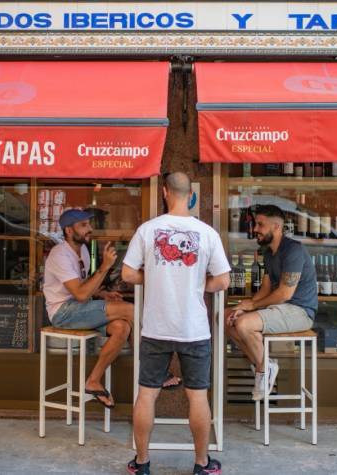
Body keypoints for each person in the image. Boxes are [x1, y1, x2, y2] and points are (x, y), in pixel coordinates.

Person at [122, 172, 230, 475]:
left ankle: (141, 463)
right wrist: (197, 285)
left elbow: (128, 274)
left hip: (156, 328)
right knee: (198, 396)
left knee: (146, 394)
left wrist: (153, 278)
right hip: (194, 329)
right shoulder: (207, 233)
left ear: (166, 192)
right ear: (192, 196)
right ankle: (201, 463)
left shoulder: (148, 230)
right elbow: (222, 280)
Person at [42, 209, 181, 408]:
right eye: (83, 225)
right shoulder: (59, 254)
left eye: (89, 224)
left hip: (80, 307)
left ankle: (93, 381)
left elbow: (82, 288)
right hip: (63, 313)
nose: (89, 228)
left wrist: (102, 294)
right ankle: (154, 370)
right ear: (68, 230)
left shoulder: (81, 250)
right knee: (132, 311)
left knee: (122, 328)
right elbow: (80, 294)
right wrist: (105, 267)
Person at [225, 204, 317, 401]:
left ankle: (263, 369)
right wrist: (244, 305)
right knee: (228, 317)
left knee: (243, 324)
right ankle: (264, 365)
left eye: (260, 225)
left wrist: (252, 307)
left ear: (276, 227)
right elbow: (266, 289)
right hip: (280, 308)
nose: (255, 229)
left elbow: (284, 293)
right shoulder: (269, 253)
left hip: (300, 311)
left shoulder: (293, 250)